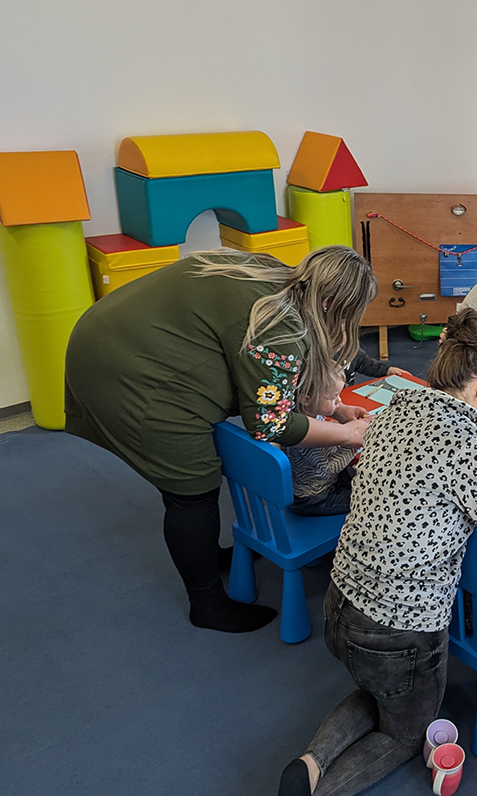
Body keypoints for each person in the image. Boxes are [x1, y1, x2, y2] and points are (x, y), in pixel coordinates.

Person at [278, 308, 477, 796]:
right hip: (400, 627)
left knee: (377, 691)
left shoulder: (397, 406)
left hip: (341, 601)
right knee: (404, 734)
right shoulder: (472, 444)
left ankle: (310, 762)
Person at [64, 246, 376, 633]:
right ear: (329, 303)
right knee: (191, 488)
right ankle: (206, 603)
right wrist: (348, 434)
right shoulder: (279, 324)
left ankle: (205, 556)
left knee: (194, 483)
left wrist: (335, 410)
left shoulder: (275, 273)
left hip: (108, 334)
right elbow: (271, 424)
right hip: (129, 372)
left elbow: (274, 381)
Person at [284, 370, 359, 517]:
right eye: (333, 397)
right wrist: (354, 441)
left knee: (359, 480)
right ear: (306, 399)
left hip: (319, 484)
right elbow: (330, 467)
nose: (339, 401)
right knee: (367, 498)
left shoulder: (305, 416)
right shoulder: (308, 436)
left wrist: (338, 428)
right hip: (313, 498)